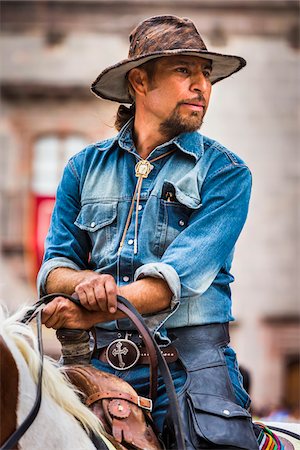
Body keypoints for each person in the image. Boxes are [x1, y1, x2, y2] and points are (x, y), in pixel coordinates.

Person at [38, 15, 263, 449]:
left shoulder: (226, 172)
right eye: (184, 70)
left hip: (192, 370)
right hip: (94, 365)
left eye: (206, 73)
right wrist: (86, 282)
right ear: (140, 82)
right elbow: (53, 269)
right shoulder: (81, 169)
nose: (201, 85)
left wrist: (89, 311)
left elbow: (168, 286)